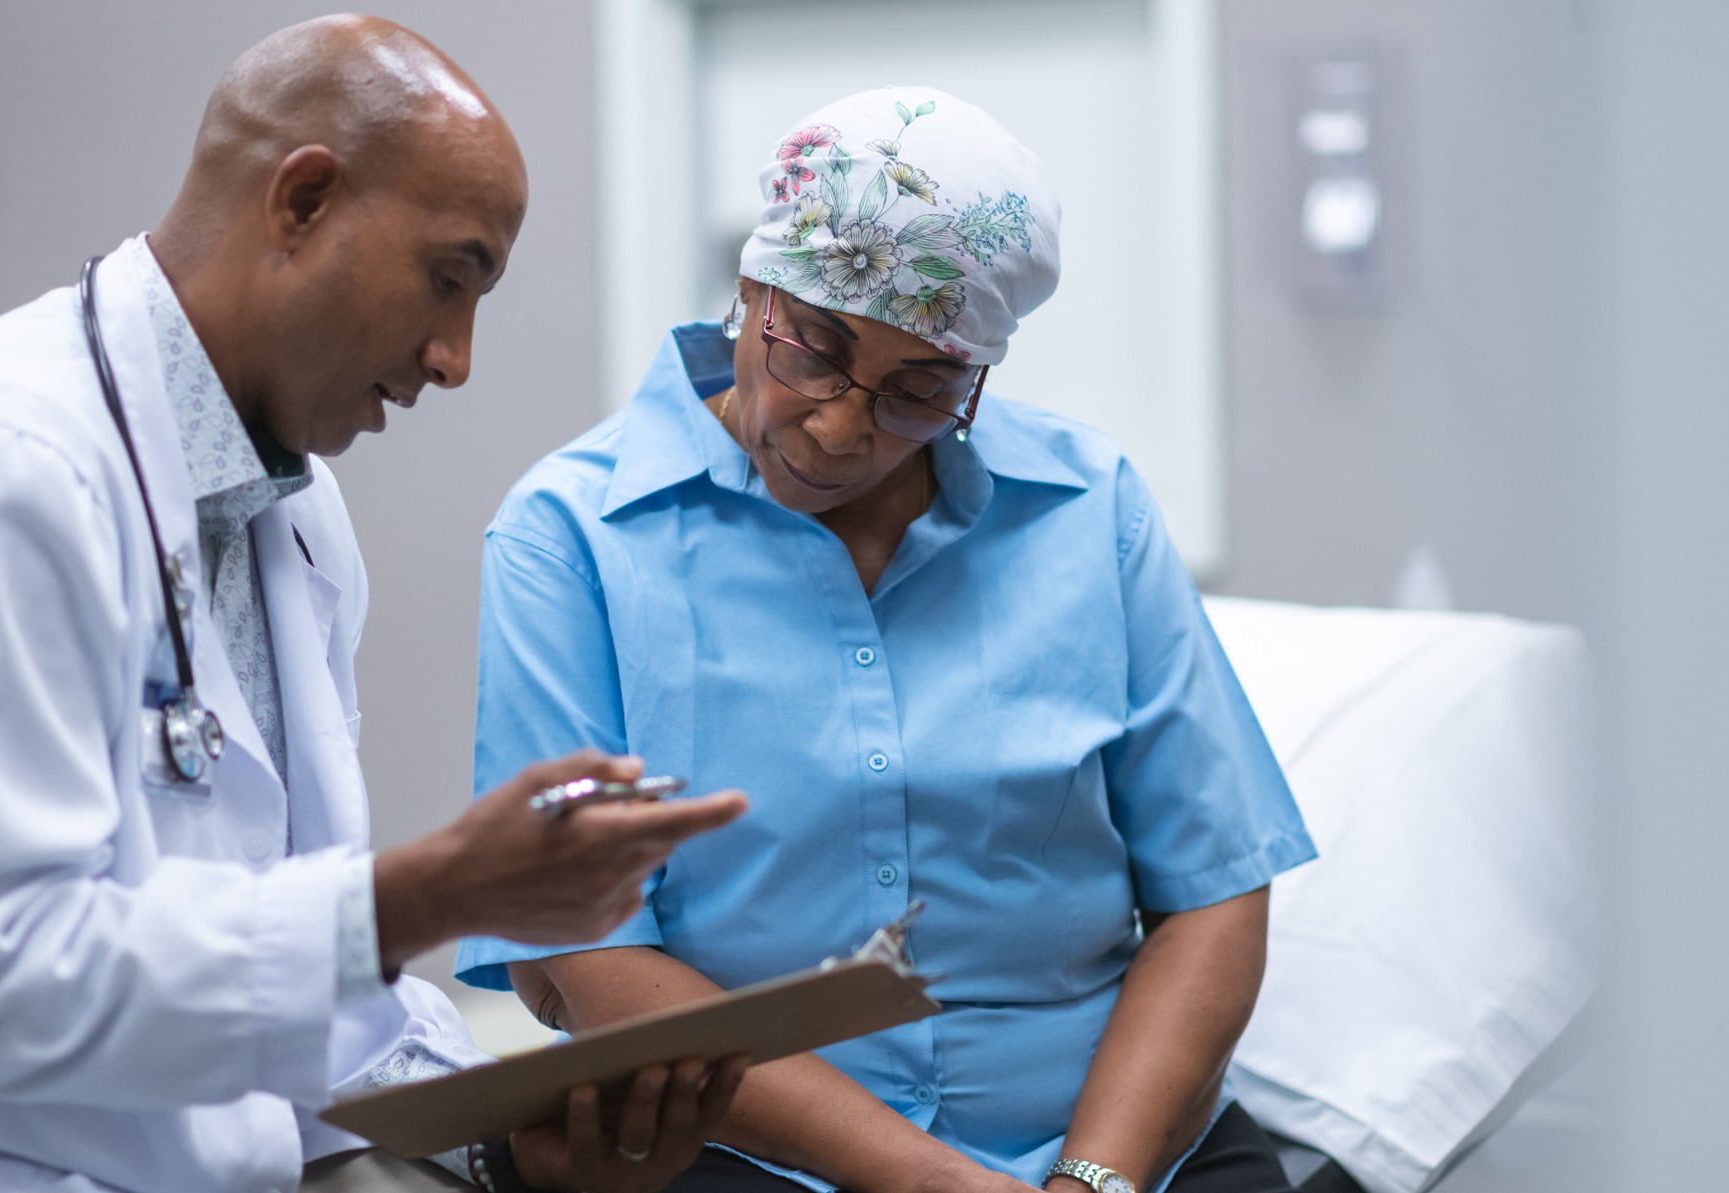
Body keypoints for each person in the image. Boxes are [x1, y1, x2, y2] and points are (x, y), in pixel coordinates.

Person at [0, 16, 751, 1193]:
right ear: (305, 199)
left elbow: (264, 964)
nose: (454, 358)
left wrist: (503, 1128)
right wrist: (443, 886)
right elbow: (4, 985)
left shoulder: (294, 514)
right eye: (450, 277)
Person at [456, 89, 1317, 1193]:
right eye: (815, 350)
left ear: (978, 377)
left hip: (1103, 1139)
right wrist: (941, 1183)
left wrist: (1091, 1177)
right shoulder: (572, 536)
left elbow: (1214, 891)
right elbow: (592, 954)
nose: (842, 424)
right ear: (753, 286)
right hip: (743, 1144)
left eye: (920, 389)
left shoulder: (1088, 509)